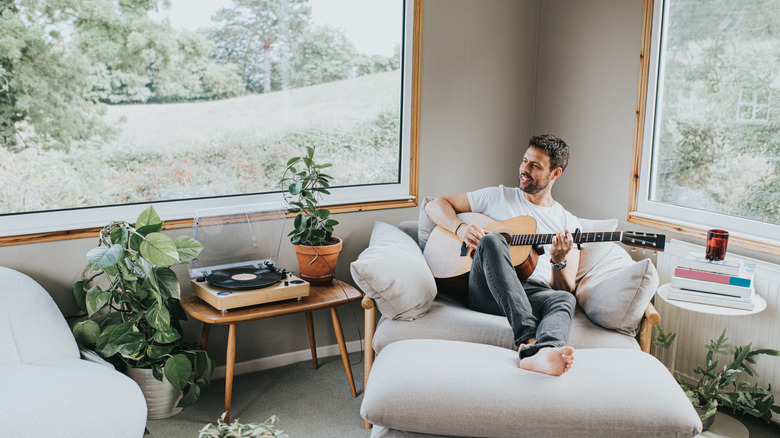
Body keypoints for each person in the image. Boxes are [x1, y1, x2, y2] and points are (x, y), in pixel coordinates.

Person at [425, 134, 580, 376]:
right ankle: (528, 343)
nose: (524, 169)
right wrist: (461, 228)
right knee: (493, 239)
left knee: (564, 300)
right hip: (487, 289)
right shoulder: (497, 196)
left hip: (532, 292)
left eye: (535, 166)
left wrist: (558, 262)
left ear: (555, 174)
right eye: (524, 160)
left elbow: (565, 287)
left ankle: (546, 351)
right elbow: (434, 204)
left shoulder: (568, 223)